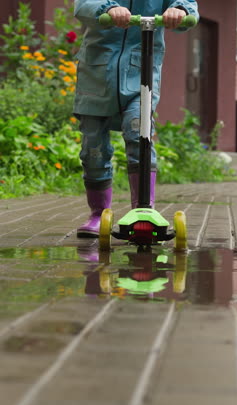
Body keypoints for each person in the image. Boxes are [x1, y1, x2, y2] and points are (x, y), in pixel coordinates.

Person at [74, 0, 199, 238]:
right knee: (93, 148)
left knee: (139, 132)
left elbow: (188, 5)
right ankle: (98, 214)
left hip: (140, 73)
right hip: (97, 74)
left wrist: (180, 10)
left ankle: (143, 210)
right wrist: (108, 8)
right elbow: (83, 5)